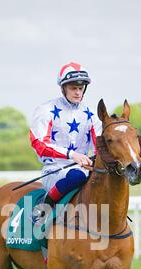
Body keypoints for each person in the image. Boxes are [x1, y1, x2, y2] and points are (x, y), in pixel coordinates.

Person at [30, 61, 102, 221]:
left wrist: (96, 161)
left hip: (83, 169)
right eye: (73, 88)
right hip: (54, 170)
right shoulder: (45, 110)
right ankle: (43, 207)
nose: (77, 92)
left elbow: (100, 146)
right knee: (76, 177)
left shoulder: (91, 114)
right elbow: (40, 145)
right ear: (63, 88)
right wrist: (72, 155)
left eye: (80, 88)